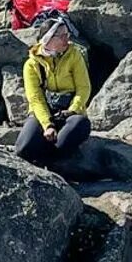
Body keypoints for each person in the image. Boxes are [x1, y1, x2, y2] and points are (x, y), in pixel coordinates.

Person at [15, 13, 92, 166]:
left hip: (69, 112)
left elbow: (84, 88)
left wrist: (73, 110)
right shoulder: (32, 65)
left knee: (80, 124)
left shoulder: (74, 55)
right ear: (48, 40)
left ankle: (49, 160)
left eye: (67, 34)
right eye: (62, 36)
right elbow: (35, 98)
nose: (67, 39)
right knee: (23, 148)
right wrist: (47, 125)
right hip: (44, 111)